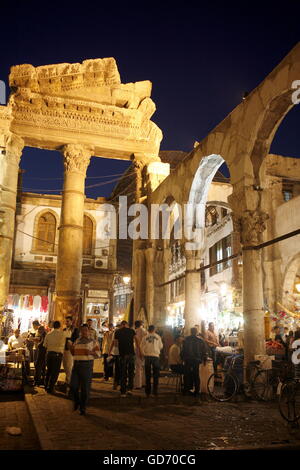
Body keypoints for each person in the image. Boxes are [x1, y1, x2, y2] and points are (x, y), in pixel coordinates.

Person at [69, 323, 100, 415]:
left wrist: (90, 352)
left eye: (85, 330)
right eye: (82, 330)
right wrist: (70, 348)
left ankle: (83, 408)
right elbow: (73, 353)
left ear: (88, 331)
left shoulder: (93, 341)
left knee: (85, 389)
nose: (83, 332)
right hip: (76, 365)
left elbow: (98, 354)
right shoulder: (77, 340)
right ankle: (77, 401)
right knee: (73, 386)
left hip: (86, 366)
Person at [113, 320, 140, 397]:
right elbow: (137, 340)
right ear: (127, 325)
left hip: (122, 354)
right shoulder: (132, 331)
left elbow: (115, 344)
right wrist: (139, 350)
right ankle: (130, 389)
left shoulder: (117, 332)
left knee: (123, 373)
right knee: (131, 372)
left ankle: (123, 391)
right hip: (131, 353)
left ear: (121, 325)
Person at [181, 327, 207, 397]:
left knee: (187, 375)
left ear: (190, 332)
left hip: (188, 359)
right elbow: (204, 351)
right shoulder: (201, 341)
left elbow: (183, 350)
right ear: (196, 332)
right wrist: (204, 359)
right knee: (196, 375)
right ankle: (197, 391)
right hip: (196, 360)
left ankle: (186, 390)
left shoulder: (186, 340)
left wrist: (182, 358)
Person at [140, 325, 163, 397]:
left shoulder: (144, 337)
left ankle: (148, 392)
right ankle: (155, 391)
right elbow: (161, 346)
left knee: (148, 375)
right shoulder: (158, 337)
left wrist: (144, 354)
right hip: (155, 356)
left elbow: (141, 347)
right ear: (154, 329)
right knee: (156, 375)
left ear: (148, 330)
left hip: (147, 356)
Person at [44, 321, 66, 394]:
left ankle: (46, 386)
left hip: (49, 354)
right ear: (59, 326)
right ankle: (51, 388)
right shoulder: (62, 334)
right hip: (57, 355)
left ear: (53, 326)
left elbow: (45, 345)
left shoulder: (48, 334)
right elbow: (64, 344)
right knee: (55, 372)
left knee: (49, 371)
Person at [63, 316, 79, 385]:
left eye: (68, 321)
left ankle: (69, 381)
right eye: (66, 321)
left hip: (70, 349)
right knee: (65, 365)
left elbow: (77, 339)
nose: (66, 323)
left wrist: (71, 343)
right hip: (64, 349)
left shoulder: (75, 330)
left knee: (69, 365)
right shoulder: (64, 329)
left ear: (71, 322)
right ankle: (67, 379)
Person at [134, 320, 147, 389]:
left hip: (137, 350)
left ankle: (138, 384)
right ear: (141, 324)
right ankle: (144, 383)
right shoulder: (144, 331)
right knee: (143, 367)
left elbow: (135, 342)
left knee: (138, 367)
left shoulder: (135, 331)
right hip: (143, 350)